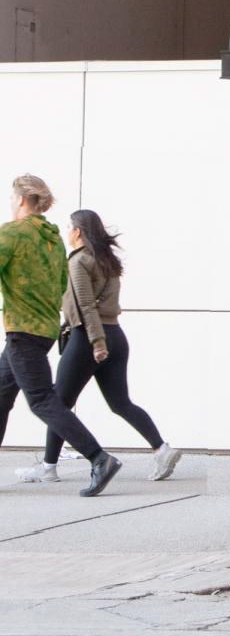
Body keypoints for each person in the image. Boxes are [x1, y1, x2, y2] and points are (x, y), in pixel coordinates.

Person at [15, 210, 179, 484]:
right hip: (116, 335)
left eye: (69, 227)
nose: (67, 232)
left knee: (58, 402)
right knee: (120, 402)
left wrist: (96, 342)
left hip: (88, 338)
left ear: (78, 231)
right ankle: (162, 449)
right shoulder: (108, 261)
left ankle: (48, 467)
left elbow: (85, 305)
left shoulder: (79, 261)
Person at [0, 176, 122, 496]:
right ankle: (98, 458)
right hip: (43, 329)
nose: (10, 203)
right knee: (1, 396)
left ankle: (99, 458)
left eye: (12, 198)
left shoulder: (12, 233)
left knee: (42, 399)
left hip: (22, 329)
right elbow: (59, 286)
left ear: (22, 199)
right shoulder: (52, 239)